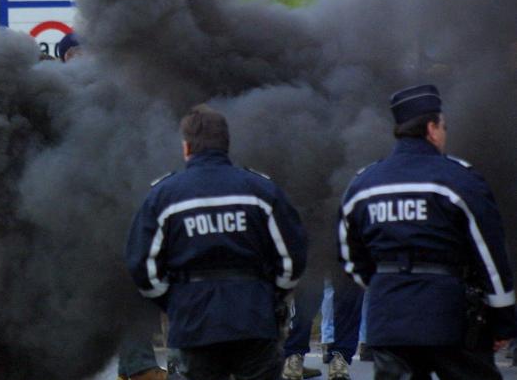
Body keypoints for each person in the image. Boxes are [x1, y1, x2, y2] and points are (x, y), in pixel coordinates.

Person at [338, 84, 516, 379]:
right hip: (452, 318)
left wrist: (387, 284)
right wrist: (503, 319)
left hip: (389, 321)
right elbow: (490, 255)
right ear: (432, 129)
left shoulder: (363, 184)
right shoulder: (459, 180)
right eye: (443, 127)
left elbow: (349, 257)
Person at [126, 105, 308, 380]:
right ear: (226, 145)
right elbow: (292, 256)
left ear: (187, 148)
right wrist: (272, 295)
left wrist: (174, 301)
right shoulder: (261, 190)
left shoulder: (164, 196)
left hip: (193, 321)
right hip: (254, 318)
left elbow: (142, 265)